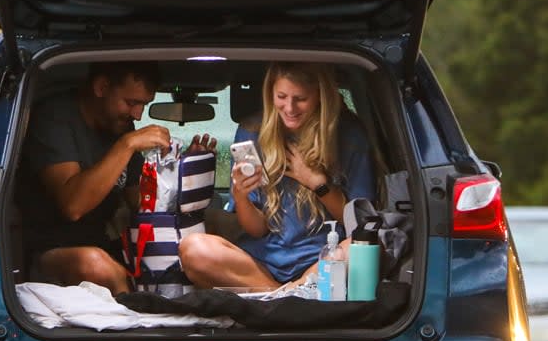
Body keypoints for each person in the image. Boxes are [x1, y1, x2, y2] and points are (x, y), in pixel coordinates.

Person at [19, 62, 214, 294]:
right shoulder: (55, 119)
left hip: (102, 243)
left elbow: (142, 204)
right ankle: (141, 323)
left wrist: (179, 169)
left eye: (144, 105)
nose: (138, 114)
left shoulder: (120, 128)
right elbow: (73, 206)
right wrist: (127, 145)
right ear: (101, 87)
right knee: (97, 264)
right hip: (46, 250)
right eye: (132, 103)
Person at [179, 62, 375, 290]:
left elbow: (359, 224)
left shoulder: (349, 138)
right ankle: (286, 294)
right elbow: (257, 230)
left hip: (323, 260)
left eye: (300, 99)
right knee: (193, 248)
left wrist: (317, 183)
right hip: (262, 263)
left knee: (360, 247)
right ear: (270, 93)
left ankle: (284, 293)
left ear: (321, 96)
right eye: (281, 96)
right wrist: (240, 195)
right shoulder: (252, 132)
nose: (289, 108)